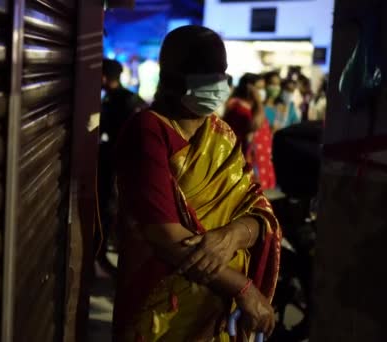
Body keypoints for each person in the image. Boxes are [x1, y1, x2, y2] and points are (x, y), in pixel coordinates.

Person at [113, 25, 281, 341]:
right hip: (159, 308)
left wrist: (231, 235)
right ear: (174, 80)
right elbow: (167, 237)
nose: (218, 86)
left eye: (221, 75)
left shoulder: (222, 134)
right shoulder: (148, 131)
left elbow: (258, 208)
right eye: (207, 77)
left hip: (216, 311)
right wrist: (244, 289)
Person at [96, 58, 147, 276]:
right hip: (120, 164)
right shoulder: (125, 98)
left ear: (104, 77)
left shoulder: (122, 101)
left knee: (113, 211)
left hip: (121, 167)